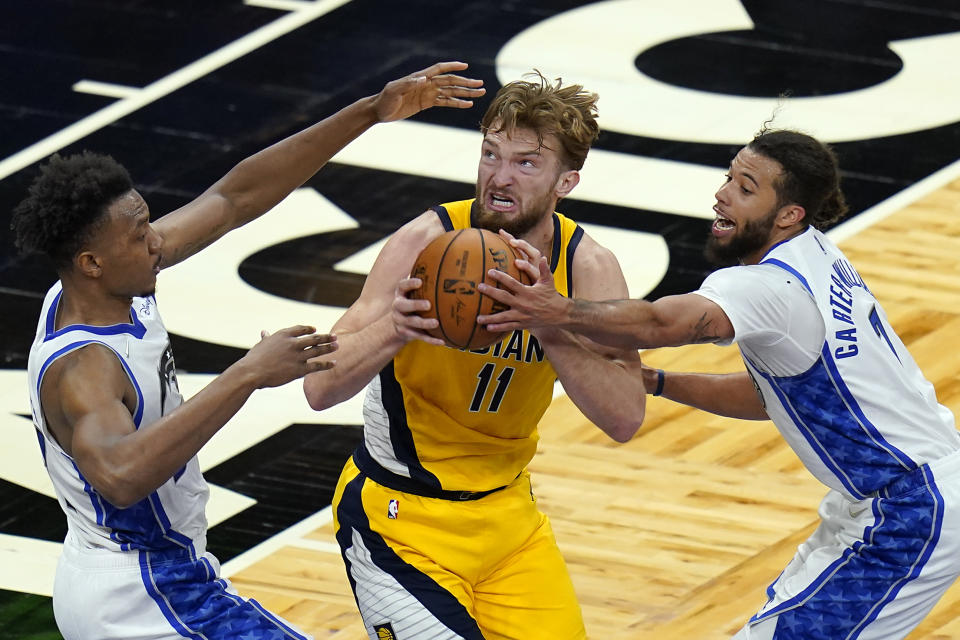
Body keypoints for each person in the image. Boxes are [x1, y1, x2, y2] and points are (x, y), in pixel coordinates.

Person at [12, 61, 485, 640]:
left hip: (131, 576)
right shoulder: (84, 367)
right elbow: (119, 474)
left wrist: (370, 111)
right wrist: (247, 375)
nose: (156, 238)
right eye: (138, 236)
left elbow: (236, 197)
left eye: (147, 223)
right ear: (92, 262)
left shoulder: (106, 285)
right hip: (143, 594)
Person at [477, 129, 960, 639]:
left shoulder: (767, 285)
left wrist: (559, 310)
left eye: (746, 188)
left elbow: (662, 324)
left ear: (789, 214)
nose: (722, 194)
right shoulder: (817, 257)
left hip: (907, 508)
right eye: (730, 176)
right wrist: (656, 382)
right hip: (891, 494)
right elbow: (769, 398)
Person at [301, 71, 646, 639]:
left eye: (526, 164)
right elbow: (318, 388)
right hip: (399, 518)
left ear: (568, 181)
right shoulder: (426, 242)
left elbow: (625, 417)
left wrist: (552, 323)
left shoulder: (589, 267)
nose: (499, 178)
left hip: (509, 522)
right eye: (491, 154)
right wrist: (396, 327)